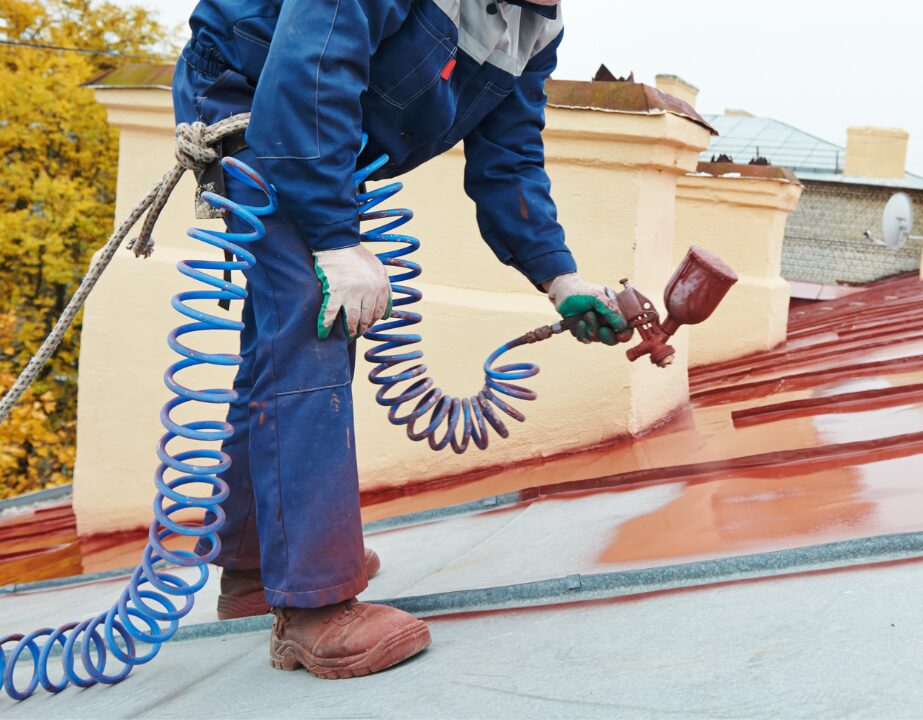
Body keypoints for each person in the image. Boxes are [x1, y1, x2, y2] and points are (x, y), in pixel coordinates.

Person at [174, 0, 624, 679]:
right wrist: (334, 239)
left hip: (322, 124)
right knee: (315, 310)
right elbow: (311, 71)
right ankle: (314, 609)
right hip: (259, 95)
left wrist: (561, 279)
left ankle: (255, 566)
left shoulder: (537, 27)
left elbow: (509, 161)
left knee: (284, 328)